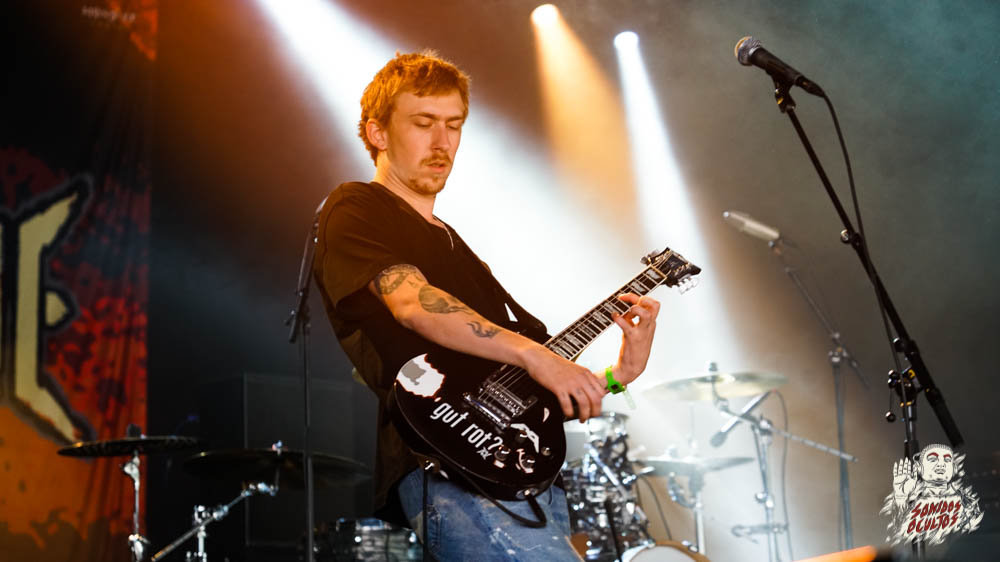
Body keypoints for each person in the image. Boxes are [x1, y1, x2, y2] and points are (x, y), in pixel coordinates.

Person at [314, 50, 661, 560]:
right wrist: (536, 355)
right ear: (378, 133)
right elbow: (413, 304)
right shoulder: (357, 206)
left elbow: (509, 395)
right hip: (448, 464)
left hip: (520, 474)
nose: (442, 142)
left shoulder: (454, 242)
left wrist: (615, 376)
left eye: (454, 125)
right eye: (424, 123)